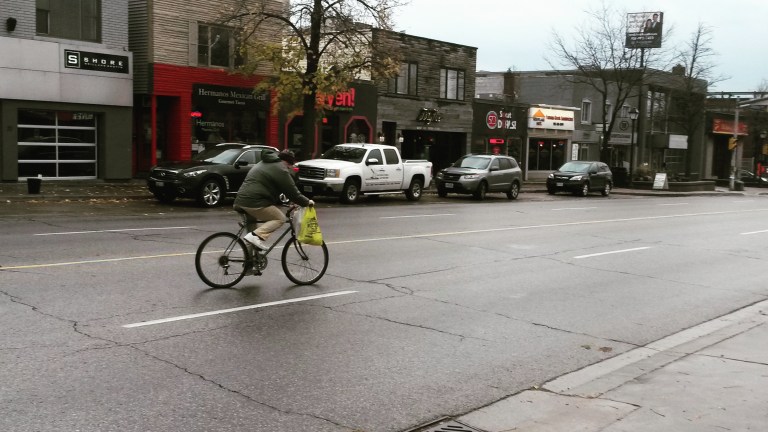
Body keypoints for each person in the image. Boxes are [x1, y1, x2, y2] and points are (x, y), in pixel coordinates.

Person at [233, 149, 313, 249]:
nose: (289, 167)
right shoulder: (280, 169)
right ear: (285, 161)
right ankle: (255, 236)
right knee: (280, 218)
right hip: (254, 202)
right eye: (289, 164)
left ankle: (250, 262)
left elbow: (281, 188)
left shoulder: (265, 162)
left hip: (240, 201)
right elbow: (293, 192)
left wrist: (291, 201)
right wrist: (307, 202)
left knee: (251, 237)